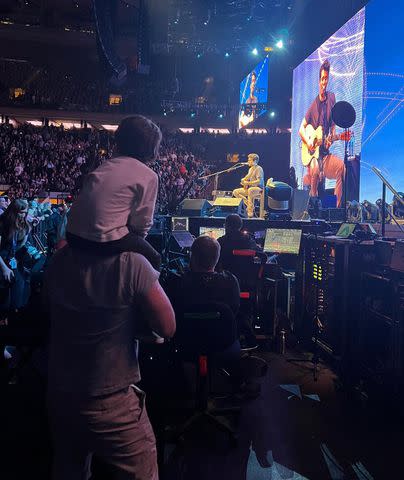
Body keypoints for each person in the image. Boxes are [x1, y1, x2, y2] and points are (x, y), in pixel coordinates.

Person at [44, 243, 176, 480]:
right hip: (109, 397)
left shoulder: (60, 258)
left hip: (60, 391)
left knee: (70, 469)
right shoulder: (132, 264)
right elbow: (167, 327)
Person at [66, 115, 162, 269]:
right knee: (155, 259)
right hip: (100, 240)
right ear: (152, 148)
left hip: (72, 234)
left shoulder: (105, 166)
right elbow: (142, 224)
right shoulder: (149, 175)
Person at [299, 59, 345, 207]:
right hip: (313, 156)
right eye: (322, 79)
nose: (324, 82)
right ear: (319, 81)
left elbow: (333, 126)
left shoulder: (332, 98)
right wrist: (309, 143)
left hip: (324, 155)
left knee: (341, 168)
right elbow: (301, 129)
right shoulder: (314, 105)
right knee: (315, 169)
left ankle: (336, 209)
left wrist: (333, 138)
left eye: (327, 79)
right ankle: (312, 207)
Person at [232, 153, 264, 218]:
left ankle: (250, 211)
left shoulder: (259, 168)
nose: (248, 161)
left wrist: (247, 183)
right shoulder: (251, 169)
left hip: (259, 189)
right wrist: (243, 180)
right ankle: (249, 205)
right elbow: (247, 177)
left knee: (250, 190)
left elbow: (259, 181)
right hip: (251, 189)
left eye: (249, 160)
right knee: (235, 192)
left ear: (254, 161)